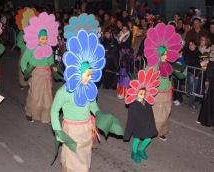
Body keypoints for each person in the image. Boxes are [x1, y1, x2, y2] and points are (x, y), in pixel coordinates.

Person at [51, 29, 123, 172]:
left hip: (85, 129)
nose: (90, 78)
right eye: (87, 75)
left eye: (91, 74)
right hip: (71, 130)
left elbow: (92, 104)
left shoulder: (89, 88)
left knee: (84, 159)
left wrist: (99, 114)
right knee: (72, 162)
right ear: (78, 72)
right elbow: (54, 111)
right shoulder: (63, 91)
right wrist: (58, 131)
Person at [144, 23, 183, 141]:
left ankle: (161, 131)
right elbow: (146, 77)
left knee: (165, 113)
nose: (165, 56)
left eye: (166, 54)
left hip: (166, 91)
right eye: (163, 54)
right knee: (157, 114)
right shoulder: (152, 65)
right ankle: (152, 131)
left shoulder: (167, 64)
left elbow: (168, 76)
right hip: (157, 93)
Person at [21, 12, 58, 123]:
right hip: (35, 74)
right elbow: (24, 61)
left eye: (46, 38)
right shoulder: (31, 48)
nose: (44, 40)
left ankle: (46, 116)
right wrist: (25, 71)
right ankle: (30, 113)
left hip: (46, 74)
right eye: (42, 38)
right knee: (35, 96)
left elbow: (50, 59)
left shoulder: (49, 48)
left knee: (47, 97)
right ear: (37, 38)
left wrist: (53, 66)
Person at [124, 68, 159, 163]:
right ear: (136, 93)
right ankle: (134, 152)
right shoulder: (133, 106)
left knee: (148, 139)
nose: (142, 96)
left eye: (144, 94)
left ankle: (140, 150)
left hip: (146, 126)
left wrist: (153, 126)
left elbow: (150, 115)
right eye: (140, 94)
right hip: (137, 127)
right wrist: (127, 134)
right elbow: (130, 121)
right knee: (136, 140)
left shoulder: (146, 103)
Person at [15, 7, 39, 89]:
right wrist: (27, 49)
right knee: (22, 67)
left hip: (32, 55)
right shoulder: (22, 33)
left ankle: (30, 83)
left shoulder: (35, 33)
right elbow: (18, 43)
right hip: (24, 53)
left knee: (32, 69)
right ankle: (22, 83)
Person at [184, 40, 202, 108]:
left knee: (194, 88)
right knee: (191, 79)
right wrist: (196, 63)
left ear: (195, 45)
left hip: (197, 72)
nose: (191, 46)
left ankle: (191, 103)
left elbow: (200, 64)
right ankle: (189, 90)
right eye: (189, 45)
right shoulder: (187, 53)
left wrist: (197, 74)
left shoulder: (199, 53)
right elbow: (188, 63)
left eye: (192, 44)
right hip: (189, 71)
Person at [117, 24, 133, 100]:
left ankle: (128, 92)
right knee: (122, 72)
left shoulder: (129, 35)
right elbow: (119, 45)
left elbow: (127, 44)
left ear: (128, 29)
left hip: (128, 56)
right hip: (123, 56)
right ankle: (121, 92)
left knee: (127, 72)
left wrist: (122, 46)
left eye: (125, 29)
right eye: (123, 29)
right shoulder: (121, 35)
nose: (124, 30)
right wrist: (121, 46)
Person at [197, 61, 214, 126]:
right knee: (208, 101)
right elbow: (209, 75)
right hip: (211, 85)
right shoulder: (211, 64)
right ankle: (206, 119)